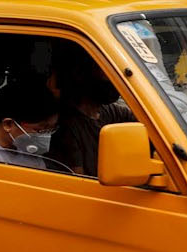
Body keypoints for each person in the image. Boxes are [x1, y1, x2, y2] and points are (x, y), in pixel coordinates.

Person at [47, 44, 135, 177]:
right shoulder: (68, 127)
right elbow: (79, 180)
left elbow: (150, 124)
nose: (113, 80)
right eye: (105, 74)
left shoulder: (111, 111)